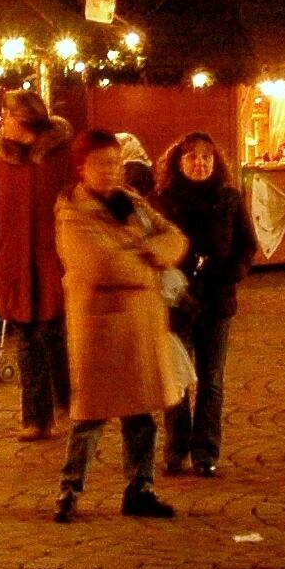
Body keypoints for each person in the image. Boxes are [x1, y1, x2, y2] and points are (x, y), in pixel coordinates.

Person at [51, 131, 188, 521]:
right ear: (82, 169)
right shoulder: (73, 213)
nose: (111, 171)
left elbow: (175, 238)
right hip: (102, 325)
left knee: (141, 414)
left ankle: (140, 488)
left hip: (141, 325)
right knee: (90, 415)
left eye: (116, 163)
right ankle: (70, 489)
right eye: (102, 164)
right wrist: (150, 261)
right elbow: (100, 265)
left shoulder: (132, 203)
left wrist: (148, 253)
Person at [157, 131, 256, 477]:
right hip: (177, 302)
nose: (199, 163)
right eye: (191, 157)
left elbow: (247, 244)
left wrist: (231, 273)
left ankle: (205, 451)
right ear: (178, 161)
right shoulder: (165, 201)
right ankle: (176, 448)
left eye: (206, 158)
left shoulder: (228, 198)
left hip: (216, 300)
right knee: (177, 378)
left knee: (212, 379)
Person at [0, 90, 77, 442]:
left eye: (7, 116)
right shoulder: (0, 165)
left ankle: (66, 404)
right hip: (14, 263)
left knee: (52, 336)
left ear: (25, 121)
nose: (3, 122)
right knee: (25, 340)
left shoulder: (58, 159)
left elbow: (74, 204)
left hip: (51, 261)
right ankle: (34, 416)